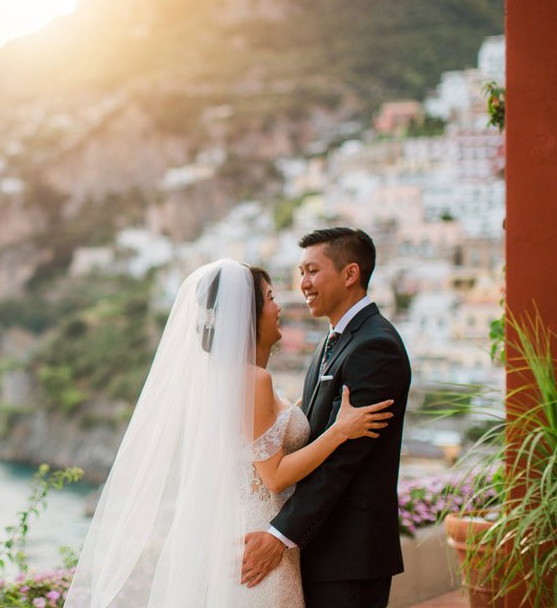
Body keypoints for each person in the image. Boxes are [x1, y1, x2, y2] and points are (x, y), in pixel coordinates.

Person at [64, 257, 394, 607]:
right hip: (258, 537)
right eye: (270, 298)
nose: (279, 306)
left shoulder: (223, 378)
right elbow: (275, 477)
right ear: (248, 316)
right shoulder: (254, 380)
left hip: (238, 532)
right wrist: (340, 431)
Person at [241, 228, 412, 608]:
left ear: (350, 274)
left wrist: (279, 535)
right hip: (319, 549)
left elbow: (341, 463)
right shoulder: (328, 343)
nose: (303, 284)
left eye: (312, 271)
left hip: (349, 556)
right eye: (301, 272)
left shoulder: (375, 347)